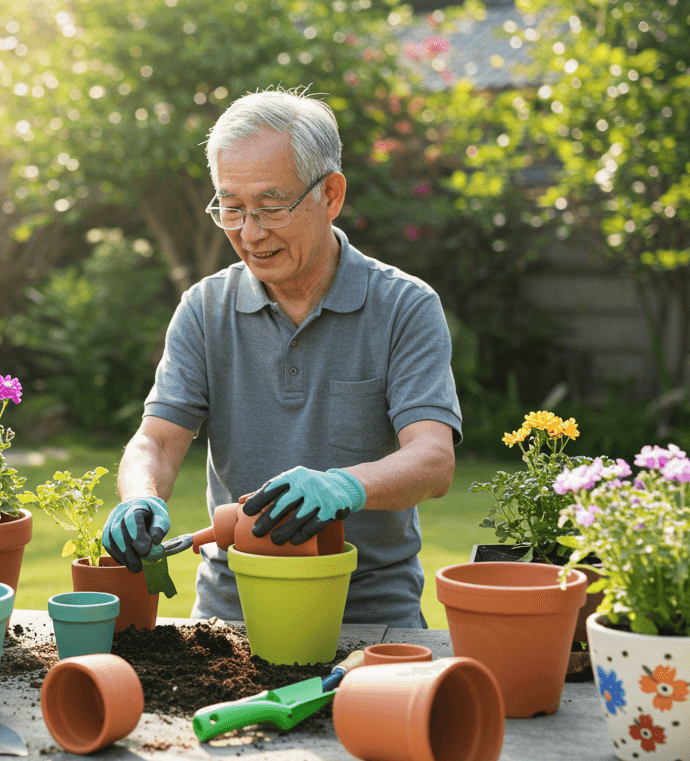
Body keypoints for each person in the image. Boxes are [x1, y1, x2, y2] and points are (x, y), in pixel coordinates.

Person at [101, 88, 461, 628]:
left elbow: (433, 461)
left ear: (330, 195)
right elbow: (157, 440)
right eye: (232, 208)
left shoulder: (404, 306)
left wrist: (343, 487)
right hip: (230, 617)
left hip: (369, 616)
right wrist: (140, 496)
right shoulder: (204, 309)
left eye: (271, 207)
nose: (250, 233)